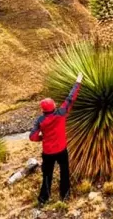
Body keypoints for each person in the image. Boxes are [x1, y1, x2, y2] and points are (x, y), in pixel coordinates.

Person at [29, 72, 83, 206]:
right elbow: (70, 99)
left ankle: (44, 198)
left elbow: (32, 136)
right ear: (54, 106)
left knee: (47, 174)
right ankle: (65, 196)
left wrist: (42, 138)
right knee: (64, 172)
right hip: (61, 149)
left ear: (43, 110)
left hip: (48, 153)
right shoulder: (61, 113)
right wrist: (78, 82)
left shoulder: (40, 120)